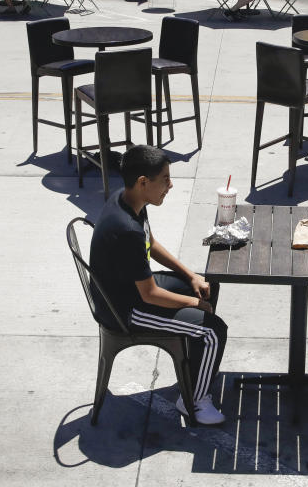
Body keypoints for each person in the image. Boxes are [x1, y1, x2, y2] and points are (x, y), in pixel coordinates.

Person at [89, 145, 228, 425]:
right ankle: (194, 403)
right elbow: (150, 294)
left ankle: (192, 369)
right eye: (164, 179)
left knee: (207, 287)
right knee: (213, 330)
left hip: (130, 289)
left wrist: (191, 276)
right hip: (124, 310)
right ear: (143, 182)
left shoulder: (128, 200)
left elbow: (150, 244)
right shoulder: (125, 228)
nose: (171, 185)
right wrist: (194, 304)